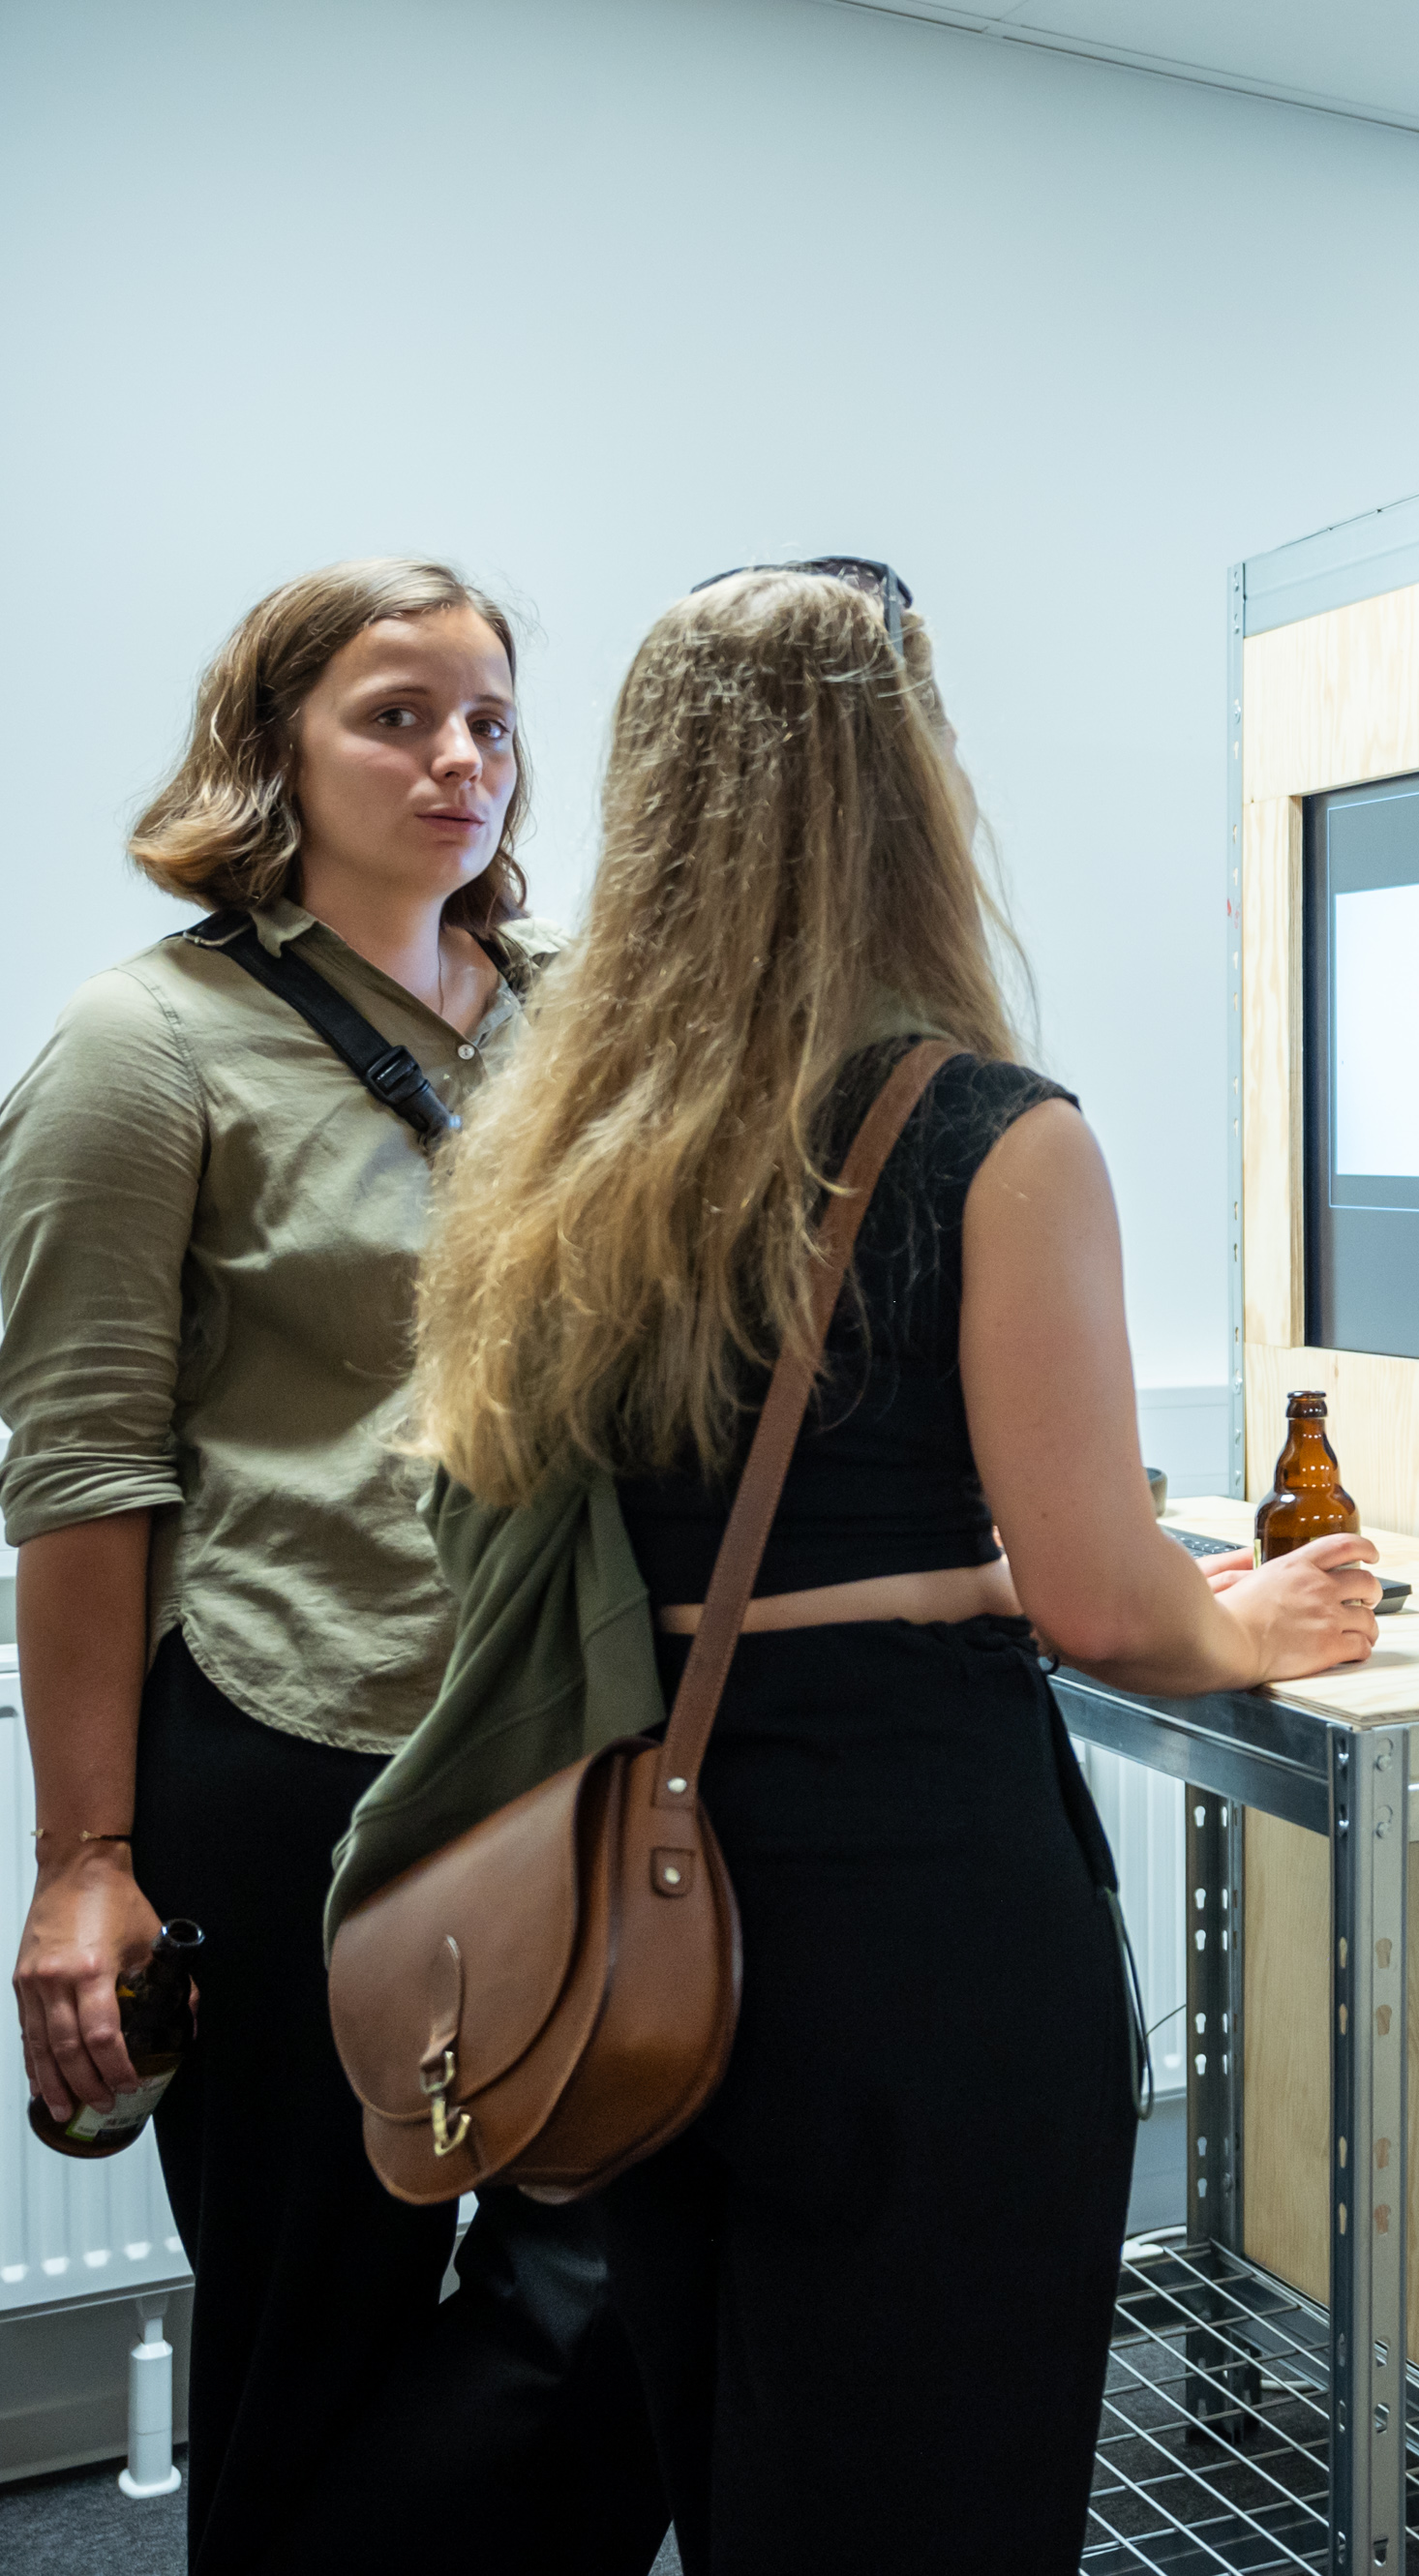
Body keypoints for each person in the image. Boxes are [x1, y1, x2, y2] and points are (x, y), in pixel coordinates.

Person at [403, 560, 1381, 2573]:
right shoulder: (989, 1133)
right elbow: (1105, 1598)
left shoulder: (566, 1133)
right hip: (912, 1916)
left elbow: (667, 1536)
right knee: (937, 2490)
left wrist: (968, 1577)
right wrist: (1252, 1622)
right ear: (910, 789)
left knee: (743, 2475)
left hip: (644, 1910)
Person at [1, 562, 665, 2571]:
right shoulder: (145, 1045)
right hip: (301, 1756)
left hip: (577, 1745)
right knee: (318, 2330)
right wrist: (84, 1858)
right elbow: (82, 1473)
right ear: (271, 747)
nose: (462, 759)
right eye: (397, 715)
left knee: (620, 2299)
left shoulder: (580, 1021)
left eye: (492, 720)